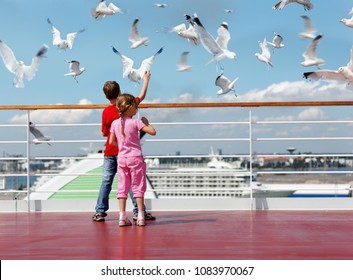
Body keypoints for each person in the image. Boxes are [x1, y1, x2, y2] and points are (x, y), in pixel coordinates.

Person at [92, 71, 155, 222]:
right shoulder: (128, 106)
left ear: (106, 96)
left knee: (107, 181)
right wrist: (146, 79)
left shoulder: (106, 112)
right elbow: (142, 94)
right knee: (135, 181)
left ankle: (100, 211)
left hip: (110, 152)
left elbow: (104, 134)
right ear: (120, 92)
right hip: (129, 153)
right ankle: (138, 212)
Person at [109, 93, 156, 226]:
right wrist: (147, 123)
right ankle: (141, 216)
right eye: (135, 107)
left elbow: (112, 142)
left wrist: (121, 144)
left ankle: (122, 217)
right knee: (138, 187)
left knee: (122, 188)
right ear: (129, 108)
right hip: (135, 158)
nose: (136, 110)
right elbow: (153, 132)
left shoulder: (115, 123)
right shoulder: (136, 122)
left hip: (122, 159)